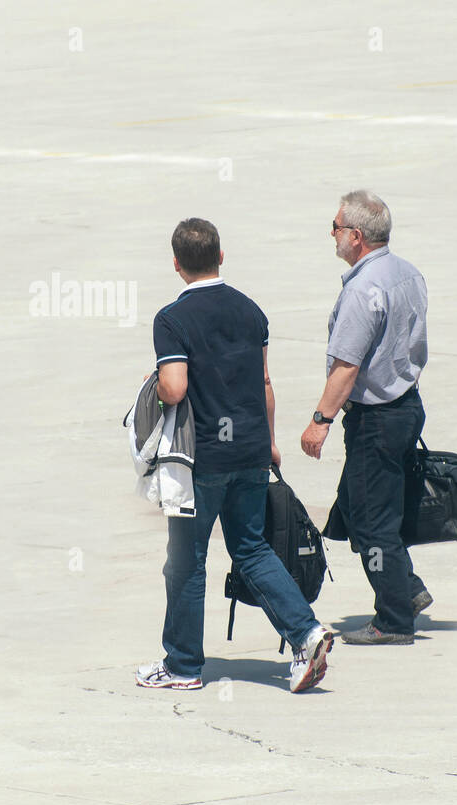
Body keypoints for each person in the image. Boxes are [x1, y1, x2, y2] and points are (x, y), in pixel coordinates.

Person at [136, 218, 333, 692]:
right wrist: (268, 442)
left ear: (178, 264)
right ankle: (306, 633)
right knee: (250, 548)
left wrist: (154, 389)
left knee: (186, 562)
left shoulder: (172, 319)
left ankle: (183, 666)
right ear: (221, 256)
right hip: (248, 451)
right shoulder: (250, 311)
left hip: (200, 462)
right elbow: (264, 383)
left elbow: (175, 386)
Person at [300, 191, 430, 646]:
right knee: (355, 509)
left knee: (374, 523)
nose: (331, 234)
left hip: (375, 420)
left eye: (335, 227)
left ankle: (394, 619)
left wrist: (321, 419)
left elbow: (347, 367)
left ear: (355, 237)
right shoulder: (407, 274)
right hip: (406, 408)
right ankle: (407, 589)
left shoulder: (361, 290)